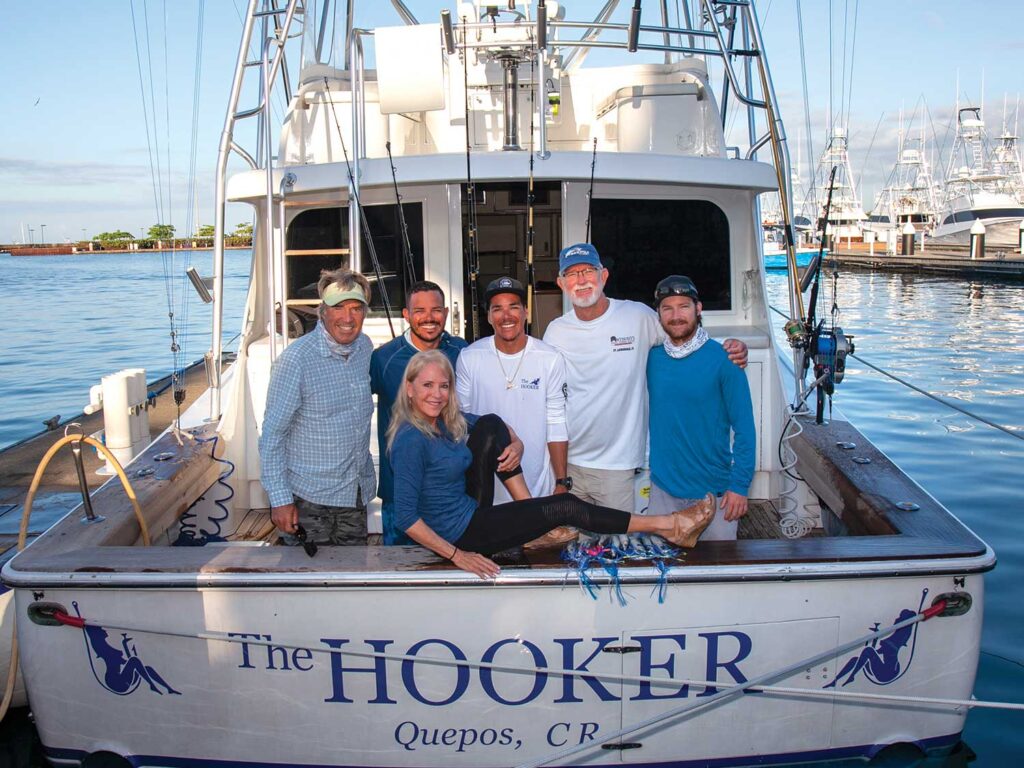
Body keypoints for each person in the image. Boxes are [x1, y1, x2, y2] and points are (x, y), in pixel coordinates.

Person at [387, 350, 716, 578]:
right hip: (461, 535)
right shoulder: (410, 439)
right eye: (427, 385)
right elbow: (405, 517)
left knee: (489, 423)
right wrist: (458, 556)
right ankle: (671, 526)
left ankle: (533, 519)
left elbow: (493, 426)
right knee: (565, 506)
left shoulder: (445, 421)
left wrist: (516, 443)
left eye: (444, 386)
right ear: (410, 388)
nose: (437, 394)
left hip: (471, 509)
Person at [543, 243, 748, 512]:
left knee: (616, 548)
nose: (580, 280)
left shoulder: (637, 316)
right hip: (567, 460)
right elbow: (549, 398)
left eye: (587, 271)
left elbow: (682, 337)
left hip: (617, 463)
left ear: (603, 276)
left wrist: (728, 349)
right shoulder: (555, 332)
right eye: (571, 274)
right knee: (573, 548)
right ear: (561, 283)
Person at [260, 268, 375, 545]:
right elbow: (272, 437)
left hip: (354, 494)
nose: (348, 318)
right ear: (323, 312)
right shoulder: (296, 360)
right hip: (308, 500)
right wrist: (280, 500)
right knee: (308, 582)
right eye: (339, 307)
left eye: (356, 308)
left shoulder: (365, 348)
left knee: (352, 575)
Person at [646, 275, 756, 540]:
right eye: (667, 308)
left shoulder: (725, 360)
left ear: (698, 309)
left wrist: (740, 486)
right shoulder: (651, 358)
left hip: (714, 494)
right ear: (658, 314)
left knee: (717, 573)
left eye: (684, 306)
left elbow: (745, 429)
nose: (676, 315)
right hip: (663, 492)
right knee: (658, 572)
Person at [371, 281, 469, 545]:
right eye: (420, 310)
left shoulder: (461, 352)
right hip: (401, 495)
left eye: (436, 310)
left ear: (446, 313)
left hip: (449, 496)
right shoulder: (384, 358)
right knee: (402, 575)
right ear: (406, 315)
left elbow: (469, 412)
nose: (429, 317)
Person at [456, 276, 569, 503]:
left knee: (541, 538)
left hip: (538, 483)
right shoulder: (470, 357)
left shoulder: (550, 358)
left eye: (513, 307)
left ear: (526, 312)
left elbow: (556, 421)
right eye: (497, 309)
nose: (506, 316)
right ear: (489, 316)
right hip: (486, 485)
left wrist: (561, 481)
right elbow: (460, 420)